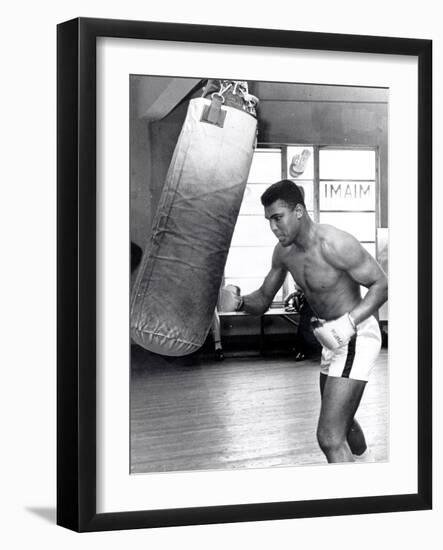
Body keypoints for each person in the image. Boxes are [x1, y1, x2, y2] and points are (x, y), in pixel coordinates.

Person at [220, 179, 388, 463]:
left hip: (356, 334)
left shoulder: (335, 244)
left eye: (277, 218)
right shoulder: (283, 253)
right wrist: (238, 302)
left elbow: (382, 284)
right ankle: (368, 466)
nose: (273, 227)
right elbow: (262, 298)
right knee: (342, 424)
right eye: (269, 221)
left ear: (298, 211)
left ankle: (356, 500)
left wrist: (349, 322)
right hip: (330, 340)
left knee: (329, 437)